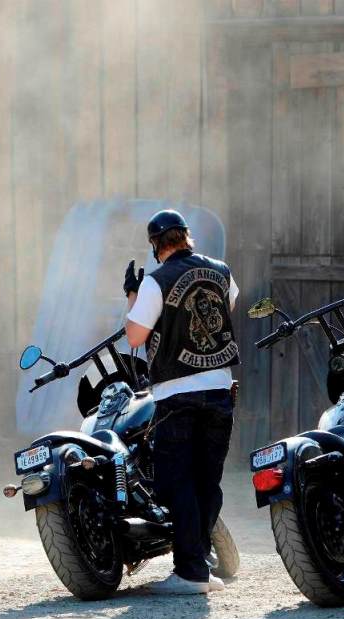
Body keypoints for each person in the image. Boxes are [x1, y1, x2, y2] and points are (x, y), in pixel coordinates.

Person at [124, 210, 240, 595]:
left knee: (177, 482)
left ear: (156, 245)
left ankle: (190, 572)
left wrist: (133, 296)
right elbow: (227, 308)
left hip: (177, 392)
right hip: (220, 387)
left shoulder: (156, 281)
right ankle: (201, 565)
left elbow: (135, 336)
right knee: (208, 482)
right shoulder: (221, 270)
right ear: (186, 237)